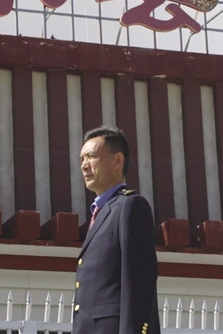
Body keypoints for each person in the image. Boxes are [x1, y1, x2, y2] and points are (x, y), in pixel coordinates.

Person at [72, 126, 161, 334]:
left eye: (91, 156)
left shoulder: (130, 206)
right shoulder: (101, 212)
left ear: (117, 161)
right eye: (81, 159)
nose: (84, 165)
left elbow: (139, 281)